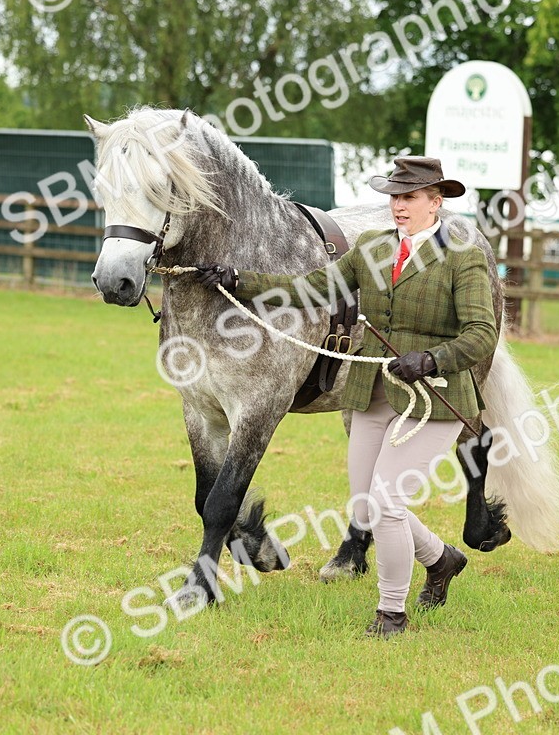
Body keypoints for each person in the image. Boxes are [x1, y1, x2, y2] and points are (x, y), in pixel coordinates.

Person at [195, 156, 497, 637]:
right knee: (368, 508)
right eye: (394, 197)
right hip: (373, 393)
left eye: (410, 197)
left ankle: (391, 612)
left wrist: (431, 359)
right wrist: (240, 281)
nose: (399, 206)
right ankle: (442, 560)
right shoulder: (373, 248)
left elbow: (481, 334)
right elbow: (312, 288)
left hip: (434, 398)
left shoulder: (463, 258)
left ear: (436, 202)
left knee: (387, 504)